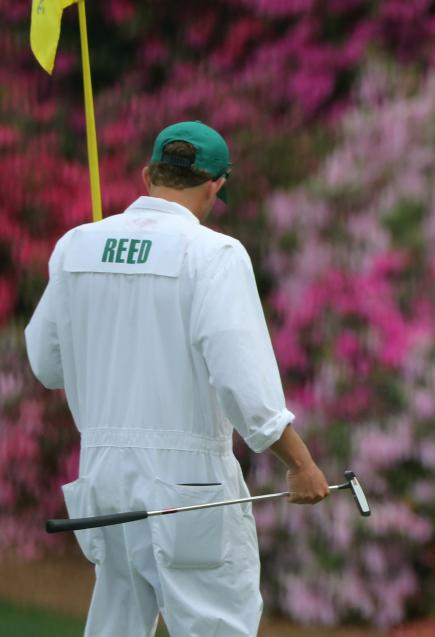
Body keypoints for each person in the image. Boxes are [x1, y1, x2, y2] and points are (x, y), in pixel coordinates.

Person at [25, 120, 329, 637]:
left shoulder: (75, 246)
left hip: (102, 476)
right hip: (190, 484)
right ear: (216, 184)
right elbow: (243, 383)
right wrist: (300, 464)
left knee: (116, 624)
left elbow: (46, 364)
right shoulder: (214, 254)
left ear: (148, 175)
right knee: (217, 626)